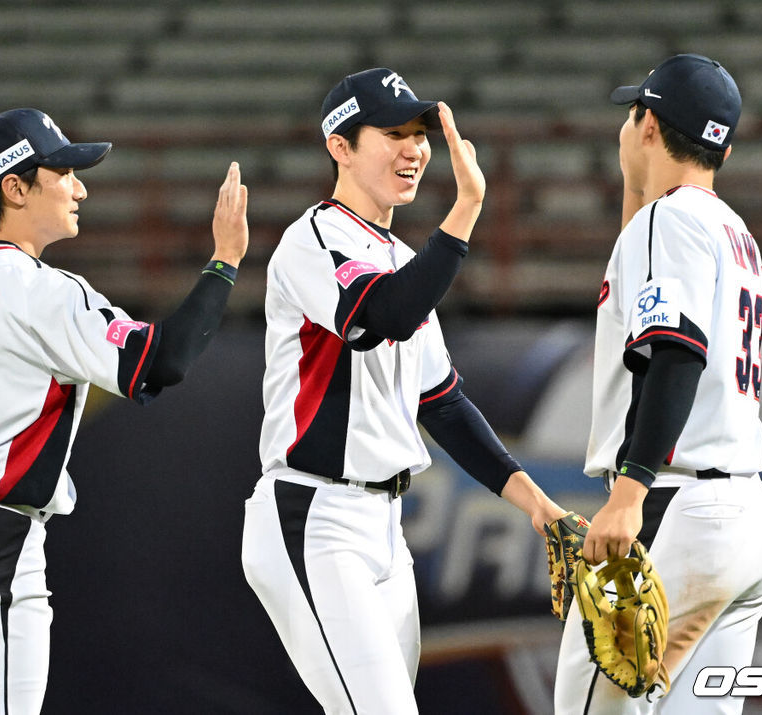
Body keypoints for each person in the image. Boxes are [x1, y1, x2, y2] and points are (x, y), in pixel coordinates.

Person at [0, 107, 248, 714]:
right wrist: (224, 261)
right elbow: (164, 360)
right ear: (13, 187)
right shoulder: (44, 293)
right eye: (63, 171)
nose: (80, 186)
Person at [240, 68, 567, 714]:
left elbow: (440, 402)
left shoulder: (400, 259)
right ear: (340, 146)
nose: (415, 148)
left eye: (420, 133)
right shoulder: (314, 240)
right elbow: (384, 315)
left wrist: (536, 503)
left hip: (387, 529)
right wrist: (466, 211)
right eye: (393, 132)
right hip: (315, 517)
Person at [553, 54, 762, 714]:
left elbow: (675, 354)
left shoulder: (670, 221)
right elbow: (643, 259)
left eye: (633, 116)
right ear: (725, 147)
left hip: (674, 507)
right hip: (743, 521)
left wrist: (629, 493)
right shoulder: (732, 230)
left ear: (647, 123)